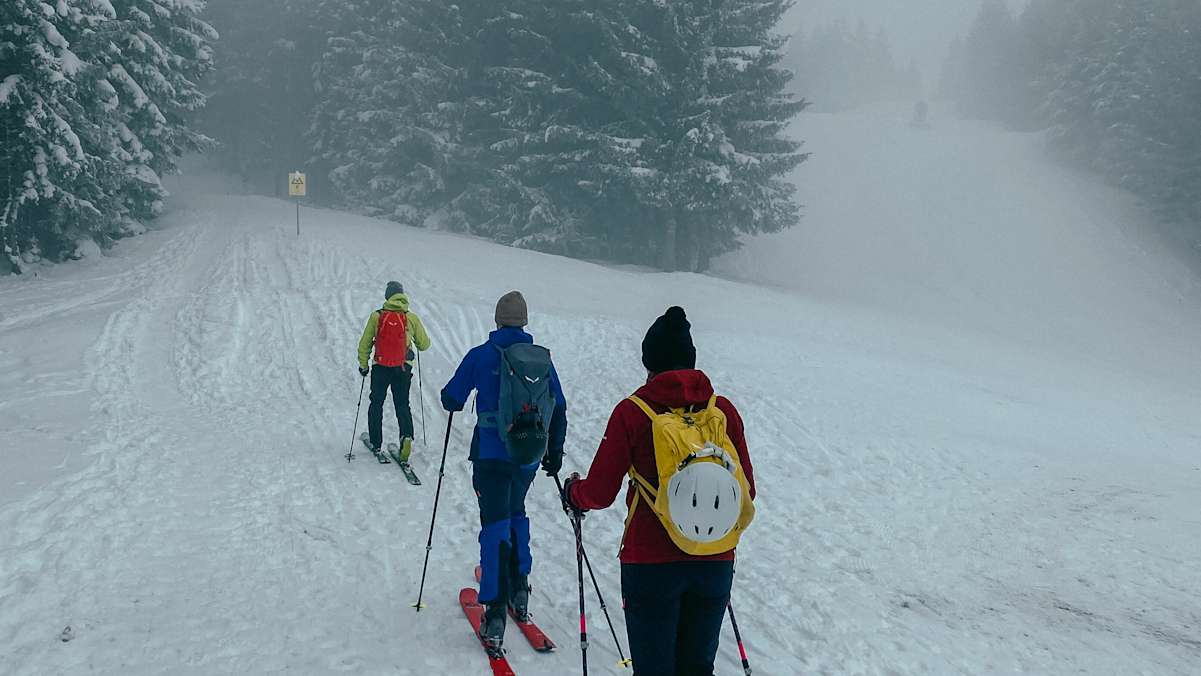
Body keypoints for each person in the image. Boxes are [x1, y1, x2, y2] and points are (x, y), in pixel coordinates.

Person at [563, 306, 756, 676]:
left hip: (650, 562)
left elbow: (600, 493)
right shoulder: (723, 411)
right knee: (697, 667)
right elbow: (748, 489)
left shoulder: (633, 411)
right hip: (715, 559)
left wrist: (574, 494)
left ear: (649, 361)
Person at [440, 291, 567, 651]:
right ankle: (519, 590)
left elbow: (452, 397)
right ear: (524, 322)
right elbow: (560, 406)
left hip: (491, 455)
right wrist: (553, 452)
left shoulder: (481, 355)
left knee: (494, 525)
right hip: (527, 456)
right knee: (516, 515)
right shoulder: (541, 360)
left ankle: (494, 611)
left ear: (497, 321)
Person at [358, 281, 431, 462]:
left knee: (376, 403)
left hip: (380, 367)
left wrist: (363, 365)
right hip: (403, 368)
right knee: (402, 404)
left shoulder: (377, 316)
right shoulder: (411, 317)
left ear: (387, 296)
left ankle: (376, 442)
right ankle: (406, 436)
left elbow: (365, 343)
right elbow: (425, 344)